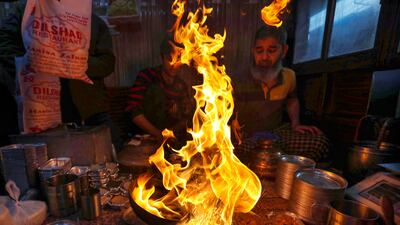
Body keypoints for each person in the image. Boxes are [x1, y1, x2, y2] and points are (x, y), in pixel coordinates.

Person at [0, 3, 122, 151]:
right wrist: (36, 61)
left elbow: (107, 64)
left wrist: (71, 62)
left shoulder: (93, 21)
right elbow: (5, 46)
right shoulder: (27, 11)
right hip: (43, 112)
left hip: (90, 109)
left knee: (116, 148)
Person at [231, 25, 329, 161]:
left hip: (276, 132)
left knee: (318, 142)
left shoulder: (289, 76)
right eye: (259, 51)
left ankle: (286, 167)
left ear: (284, 50)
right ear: (253, 51)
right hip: (247, 135)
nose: (264, 57)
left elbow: (291, 100)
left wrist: (296, 124)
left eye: (272, 50)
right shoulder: (239, 79)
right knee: (242, 151)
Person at [125, 36, 193, 142]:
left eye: (178, 60)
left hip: (168, 139)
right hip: (144, 136)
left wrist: (168, 134)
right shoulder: (147, 76)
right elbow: (132, 109)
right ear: (162, 58)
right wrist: (158, 134)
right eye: (169, 59)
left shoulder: (181, 85)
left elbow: (185, 118)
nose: (173, 64)